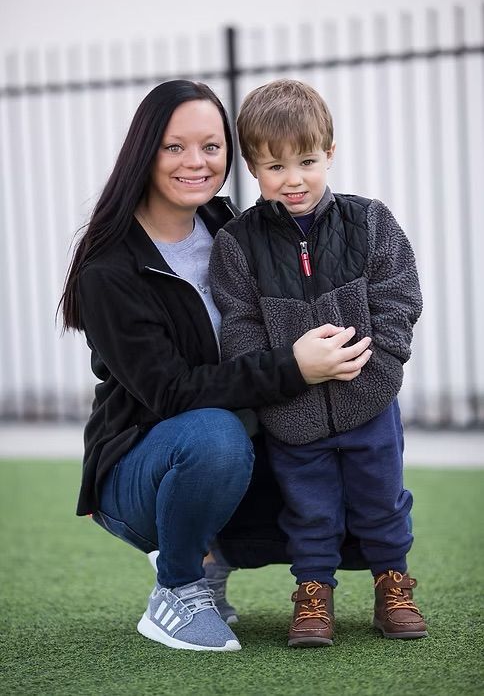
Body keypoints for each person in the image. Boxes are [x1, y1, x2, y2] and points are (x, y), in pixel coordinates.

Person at [58, 79, 373, 653]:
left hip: (243, 444)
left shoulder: (237, 229)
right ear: (144, 151)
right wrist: (296, 368)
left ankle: (217, 555)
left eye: (211, 146)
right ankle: (178, 585)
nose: (195, 163)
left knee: (351, 442)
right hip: (145, 462)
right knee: (215, 434)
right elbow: (171, 392)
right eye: (174, 147)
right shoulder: (110, 268)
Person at [209, 78, 428, 647]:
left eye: (307, 161)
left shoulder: (370, 221)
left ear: (329, 153)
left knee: (382, 499)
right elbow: (238, 325)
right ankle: (313, 594)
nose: (294, 179)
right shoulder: (238, 243)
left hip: (368, 402)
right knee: (308, 511)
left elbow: (399, 299)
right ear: (253, 168)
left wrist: (378, 371)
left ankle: (393, 585)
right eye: (274, 166)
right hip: (292, 414)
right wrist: (283, 380)